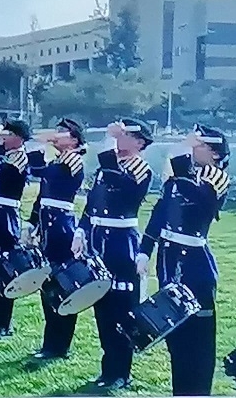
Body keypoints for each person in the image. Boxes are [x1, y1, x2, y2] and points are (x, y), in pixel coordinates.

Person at [139, 124, 231, 396]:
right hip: (168, 262)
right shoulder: (179, 176)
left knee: (199, 338)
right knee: (175, 332)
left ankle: (198, 391)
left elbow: (198, 198)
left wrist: (180, 156)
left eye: (197, 145)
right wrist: (145, 250)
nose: (191, 149)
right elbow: (160, 212)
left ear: (215, 153)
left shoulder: (216, 176)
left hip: (195, 264)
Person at [72, 119, 153, 390]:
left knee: (121, 309)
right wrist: (81, 231)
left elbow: (122, 188)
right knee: (103, 308)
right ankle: (108, 370)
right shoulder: (106, 168)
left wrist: (108, 142)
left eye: (125, 135)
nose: (119, 139)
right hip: (99, 243)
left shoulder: (140, 168)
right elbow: (93, 203)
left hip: (121, 244)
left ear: (140, 142)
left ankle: (121, 371)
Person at [25, 118, 87, 359]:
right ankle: (50, 343)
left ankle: (60, 345)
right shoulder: (58, 160)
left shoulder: (73, 158)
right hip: (48, 226)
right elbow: (41, 190)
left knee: (62, 284)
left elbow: (45, 171)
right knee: (47, 285)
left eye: (63, 132)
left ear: (73, 139)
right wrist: (32, 223)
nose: (57, 134)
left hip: (61, 227)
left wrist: (43, 142)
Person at [0, 119, 31, 338]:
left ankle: (4, 323)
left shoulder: (19, 157)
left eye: (8, 134)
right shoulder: (5, 156)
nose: (4, 138)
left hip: (6, 215)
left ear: (19, 137)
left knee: (4, 268)